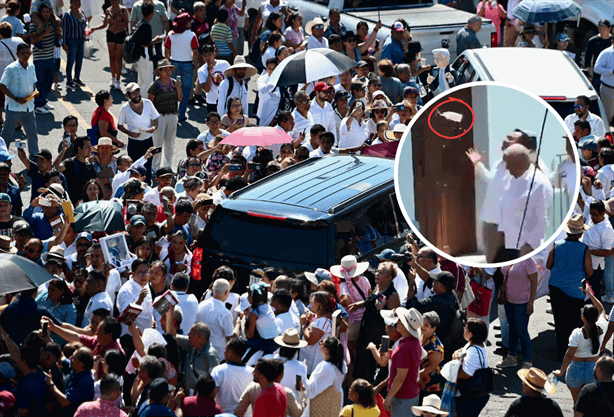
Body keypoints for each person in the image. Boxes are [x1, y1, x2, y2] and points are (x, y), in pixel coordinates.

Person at [546, 214, 594, 362]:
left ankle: (561, 353)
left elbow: (548, 265)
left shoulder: (557, 244)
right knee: (573, 323)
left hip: (556, 288)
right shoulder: (584, 249)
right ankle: (572, 353)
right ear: (580, 233)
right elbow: (589, 272)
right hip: (575, 291)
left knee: (559, 322)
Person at [496, 144, 553, 261]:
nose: (506, 168)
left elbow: (541, 220)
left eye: (508, 164)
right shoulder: (511, 179)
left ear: (519, 163)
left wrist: (530, 248)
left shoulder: (538, 183)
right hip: (510, 244)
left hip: (529, 248)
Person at [553, 288, 608, 404]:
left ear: (584, 317)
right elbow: (602, 309)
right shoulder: (601, 328)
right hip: (593, 371)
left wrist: (561, 372)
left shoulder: (577, 333)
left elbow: (569, 355)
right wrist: (590, 294)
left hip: (575, 370)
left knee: (577, 404)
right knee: (591, 405)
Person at [352, 261, 401, 382]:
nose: (376, 274)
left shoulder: (392, 295)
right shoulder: (377, 287)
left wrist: (380, 310)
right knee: (362, 365)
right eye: (377, 271)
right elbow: (371, 300)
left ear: (389, 278)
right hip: (366, 333)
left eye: (381, 273)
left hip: (378, 336)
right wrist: (360, 304)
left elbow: (394, 320)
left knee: (372, 370)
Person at [165, 304, 220, 393]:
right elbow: (172, 336)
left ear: (199, 338)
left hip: (200, 400)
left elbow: (215, 383)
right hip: (187, 395)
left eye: (191, 333)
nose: (188, 335)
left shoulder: (211, 355)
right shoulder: (191, 344)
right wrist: (170, 312)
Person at [496, 257, 538, 370]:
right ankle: (512, 356)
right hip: (508, 301)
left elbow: (534, 282)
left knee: (522, 331)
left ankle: (527, 361)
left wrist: (531, 302)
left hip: (522, 303)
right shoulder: (509, 257)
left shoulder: (528, 261)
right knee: (512, 329)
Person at [0, 44, 39, 156]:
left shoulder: (31, 66)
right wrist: (16, 99)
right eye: (23, 53)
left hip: (29, 108)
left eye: (28, 52)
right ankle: (2, 157)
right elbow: (2, 86)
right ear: (17, 54)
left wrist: (35, 93)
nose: (26, 55)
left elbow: (33, 83)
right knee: (7, 135)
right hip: (13, 108)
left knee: (32, 133)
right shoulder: (11, 69)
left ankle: (34, 157)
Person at [381, 308, 422, 415]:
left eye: (401, 320)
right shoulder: (414, 342)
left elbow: (400, 377)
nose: (398, 321)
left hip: (402, 398)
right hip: (409, 395)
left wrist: (388, 398)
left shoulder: (405, 347)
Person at [118, 82, 160, 183]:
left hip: (148, 142)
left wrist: (154, 127)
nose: (137, 95)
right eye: (133, 93)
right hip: (134, 143)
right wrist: (130, 133)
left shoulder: (148, 103)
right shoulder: (125, 108)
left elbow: (156, 117)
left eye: (138, 91)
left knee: (147, 170)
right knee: (134, 170)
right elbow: (120, 126)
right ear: (127, 95)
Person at [163, 13, 198, 122]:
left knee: (172, 90)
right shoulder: (192, 35)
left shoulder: (171, 34)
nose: (190, 22)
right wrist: (195, 64)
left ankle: (172, 113)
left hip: (174, 64)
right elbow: (195, 52)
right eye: (189, 21)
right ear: (185, 23)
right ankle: (181, 115)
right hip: (188, 65)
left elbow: (167, 50)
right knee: (186, 90)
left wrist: (167, 63)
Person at [148, 59, 181, 170]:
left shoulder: (174, 83)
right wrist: (152, 121)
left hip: (172, 115)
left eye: (169, 70)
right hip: (159, 116)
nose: (168, 72)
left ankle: (168, 166)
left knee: (170, 143)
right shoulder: (155, 85)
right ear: (160, 72)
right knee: (157, 143)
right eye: (165, 70)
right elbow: (150, 104)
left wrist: (179, 88)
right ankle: (155, 167)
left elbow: (180, 98)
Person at [90, 0, 129, 91]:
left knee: (118, 58)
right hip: (111, 34)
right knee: (112, 57)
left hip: (120, 34)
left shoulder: (124, 10)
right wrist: (95, 28)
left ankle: (118, 80)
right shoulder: (108, 10)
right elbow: (105, 24)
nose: (113, 1)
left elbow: (126, 24)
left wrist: (113, 21)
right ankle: (113, 78)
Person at [454, 318, 490, 417]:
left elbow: (466, 373)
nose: (464, 329)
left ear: (471, 334)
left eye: (466, 328)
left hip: (470, 395)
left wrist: (452, 372)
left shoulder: (473, 351)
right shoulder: (477, 345)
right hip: (476, 394)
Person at [46, 346, 95, 416]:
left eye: (73, 358)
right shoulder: (76, 369)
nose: (70, 358)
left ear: (81, 364)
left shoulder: (84, 382)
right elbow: (62, 359)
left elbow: (65, 402)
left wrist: (50, 383)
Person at [210, 337, 253, 414]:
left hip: (224, 415)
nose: (224, 352)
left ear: (230, 352)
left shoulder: (218, 370)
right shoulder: (253, 372)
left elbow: (212, 394)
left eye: (226, 349)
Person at [196, 278, 237, 356]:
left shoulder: (201, 305)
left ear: (212, 289)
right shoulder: (225, 313)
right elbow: (230, 338)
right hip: (217, 355)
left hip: (200, 351)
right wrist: (238, 324)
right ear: (226, 293)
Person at [55, 136, 98, 205]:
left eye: (90, 147)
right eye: (88, 147)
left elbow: (97, 183)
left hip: (85, 206)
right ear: (79, 149)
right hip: (68, 206)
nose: (91, 150)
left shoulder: (90, 165)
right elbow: (55, 168)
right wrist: (63, 150)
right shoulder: (70, 162)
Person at [197, 43, 230, 114]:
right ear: (202, 57)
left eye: (210, 55)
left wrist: (221, 81)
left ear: (214, 54)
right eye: (205, 56)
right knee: (213, 124)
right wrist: (209, 74)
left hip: (226, 100)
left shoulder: (225, 64)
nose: (208, 58)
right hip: (212, 102)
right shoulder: (201, 71)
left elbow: (231, 81)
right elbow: (206, 89)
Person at [585, 19, 613, 93]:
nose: (602, 31)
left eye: (604, 29)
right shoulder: (593, 41)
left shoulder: (612, 40)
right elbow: (588, 59)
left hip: (610, 76)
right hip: (598, 74)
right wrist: (588, 77)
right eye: (600, 28)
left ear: (609, 29)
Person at [593, 36, 614, 125]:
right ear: (612, 41)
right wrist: (610, 71)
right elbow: (596, 68)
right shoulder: (606, 53)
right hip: (608, 89)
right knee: (607, 116)